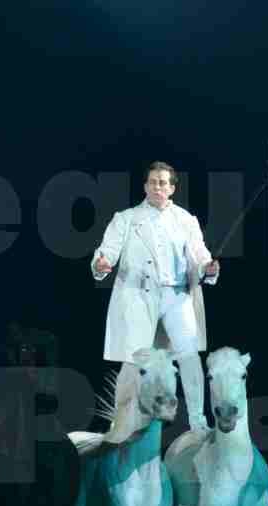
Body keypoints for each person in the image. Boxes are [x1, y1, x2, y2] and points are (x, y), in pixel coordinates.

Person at [90, 161, 221, 433]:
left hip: (177, 296)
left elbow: (200, 254)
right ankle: (121, 420)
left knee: (188, 354)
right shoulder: (125, 218)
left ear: (172, 188)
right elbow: (107, 251)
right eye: (152, 182)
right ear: (145, 186)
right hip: (139, 295)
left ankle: (197, 420)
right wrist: (101, 264)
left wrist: (208, 268)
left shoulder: (186, 220)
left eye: (162, 182)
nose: (157, 187)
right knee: (133, 359)